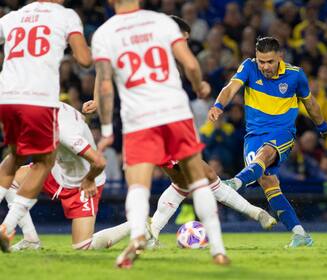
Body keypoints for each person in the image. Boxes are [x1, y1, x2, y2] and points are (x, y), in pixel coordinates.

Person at [83, 16, 276, 246]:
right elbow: (107, 69)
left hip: (159, 125)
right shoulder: (151, 53)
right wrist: (199, 85)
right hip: (159, 126)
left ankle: (150, 234)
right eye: (182, 39)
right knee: (205, 175)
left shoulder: (160, 57)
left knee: (184, 183)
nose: (182, 44)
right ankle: (255, 213)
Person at [92, 0, 228, 268]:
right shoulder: (162, 22)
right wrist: (199, 84)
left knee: (138, 186)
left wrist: (107, 130)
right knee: (197, 180)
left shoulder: (104, 34)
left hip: (139, 117)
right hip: (174, 110)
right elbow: (189, 63)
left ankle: (138, 236)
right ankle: (218, 249)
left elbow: (105, 86)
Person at [208, 37, 327, 247]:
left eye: (270, 62)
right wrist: (218, 106)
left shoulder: (295, 75)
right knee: (268, 183)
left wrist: (323, 127)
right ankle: (300, 233)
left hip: (282, 133)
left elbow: (310, 103)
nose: (265, 66)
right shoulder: (248, 67)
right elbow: (231, 88)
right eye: (261, 61)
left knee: (265, 155)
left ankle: (234, 183)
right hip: (253, 136)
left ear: (280, 57)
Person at [0, 0, 91, 252]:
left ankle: (26, 236)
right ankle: (7, 226)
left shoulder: (13, 17)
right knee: (44, 161)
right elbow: (84, 59)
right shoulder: (65, 15)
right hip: (37, 98)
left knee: (15, 157)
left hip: (5, 97)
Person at [4, 102, 130, 251]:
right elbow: (80, 118)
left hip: (83, 183)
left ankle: (137, 223)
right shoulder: (53, 106)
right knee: (10, 180)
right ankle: (30, 240)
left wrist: (89, 179)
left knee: (83, 247)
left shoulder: (65, 132)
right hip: (56, 170)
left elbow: (99, 162)